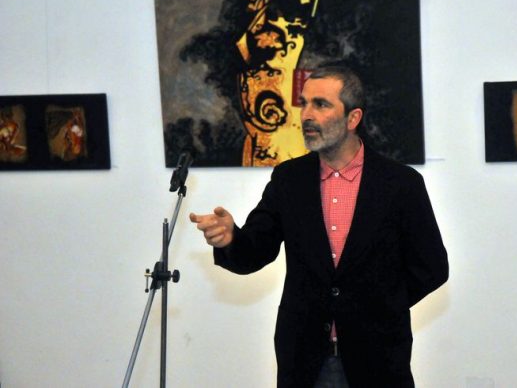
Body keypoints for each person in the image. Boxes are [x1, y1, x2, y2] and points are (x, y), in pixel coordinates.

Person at [190, 65, 449, 388]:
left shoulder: (400, 183)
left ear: (353, 118)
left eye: (321, 104)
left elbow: (431, 268)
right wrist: (231, 239)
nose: (307, 115)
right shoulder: (289, 179)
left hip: (378, 358)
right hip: (305, 359)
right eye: (304, 103)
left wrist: (379, 306)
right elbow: (256, 250)